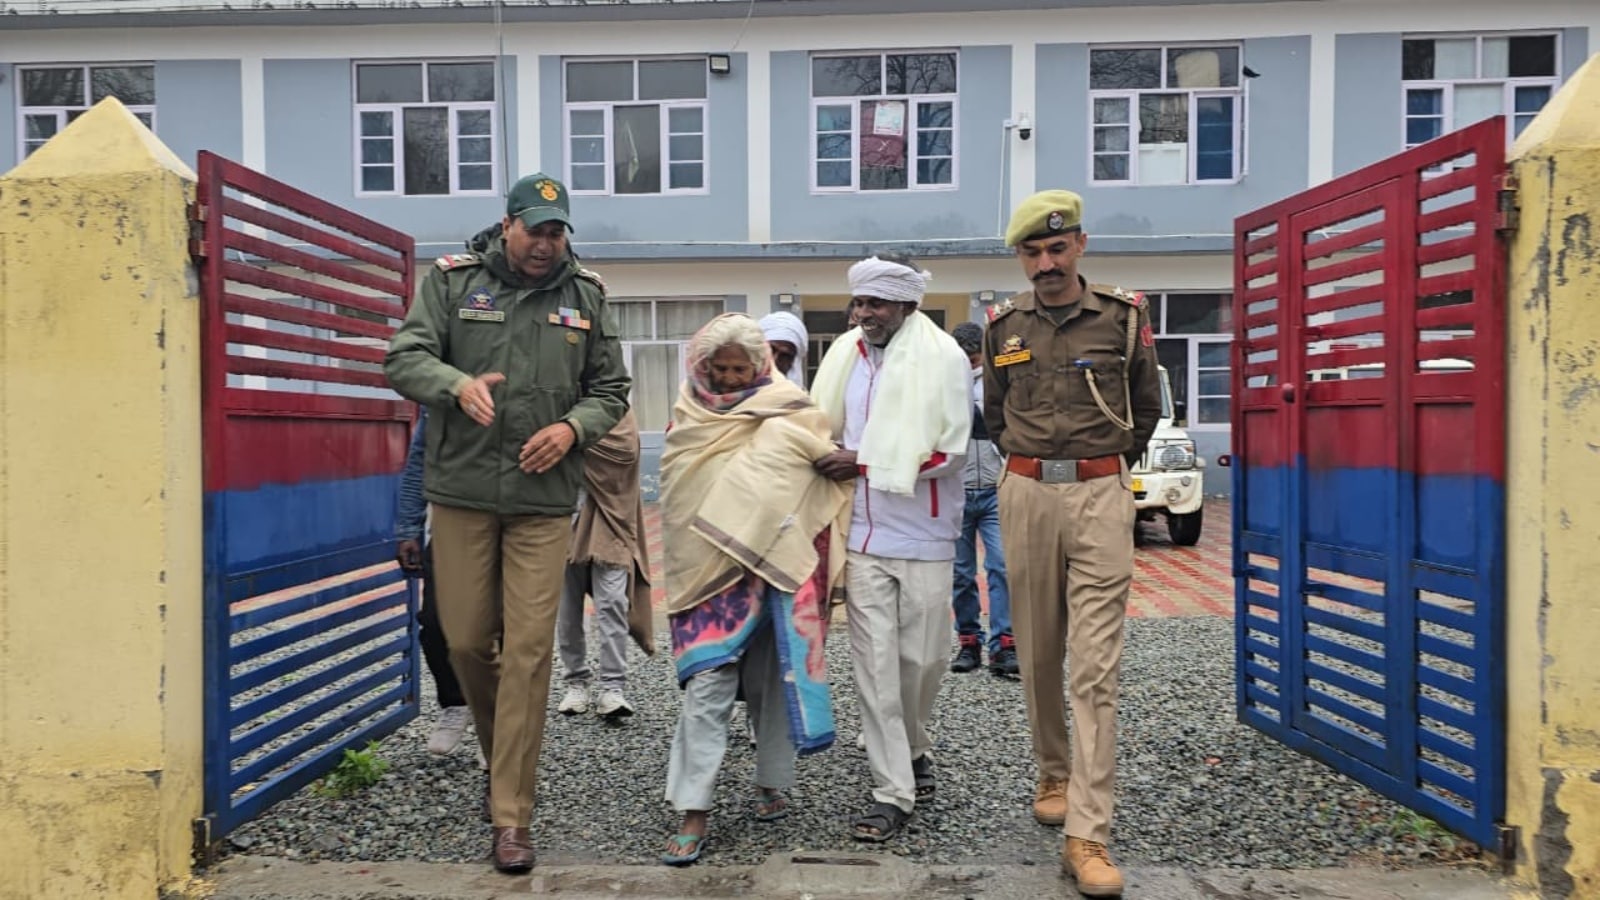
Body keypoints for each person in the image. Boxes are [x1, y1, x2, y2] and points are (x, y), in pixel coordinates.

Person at [383, 172, 631, 874]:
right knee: (463, 641)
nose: (547, 245)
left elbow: (610, 388)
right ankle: (506, 760)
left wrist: (573, 429)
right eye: (536, 230)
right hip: (461, 493)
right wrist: (455, 385)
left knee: (528, 651)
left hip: (542, 500)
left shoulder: (584, 296)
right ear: (508, 225)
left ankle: (511, 815)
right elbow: (403, 357)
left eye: (558, 233)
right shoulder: (454, 284)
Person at [984, 190, 1161, 897]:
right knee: (1038, 649)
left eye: (1058, 248)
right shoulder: (1003, 328)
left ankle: (1088, 833)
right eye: (1033, 251)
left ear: (1081, 246)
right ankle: (1052, 769)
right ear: (1022, 257)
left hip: (1098, 494)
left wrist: (1102, 471)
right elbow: (996, 416)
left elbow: (1145, 411)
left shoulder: (1122, 321)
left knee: (1095, 666)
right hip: (1025, 492)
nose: (1047, 262)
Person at [658, 313, 852, 866]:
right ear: (701, 365)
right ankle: (693, 810)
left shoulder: (789, 406)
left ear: (760, 366)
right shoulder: (688, 414)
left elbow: (816, 470)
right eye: (718, 369)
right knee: (707, 691)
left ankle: (772, 782)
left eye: (739, 369)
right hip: (707, 577)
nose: (727, 380)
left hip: (775, 573)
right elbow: (680, 494)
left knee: (774, 681)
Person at [811, 255, 971, 842]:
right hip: (859, 534)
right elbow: (818, 423)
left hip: (924, 532)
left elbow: (950, 452)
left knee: (923, 662)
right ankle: (892, 791)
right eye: (859, 303)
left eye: (875, 303)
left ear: (906, 304)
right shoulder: (843, 355)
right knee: (874, 666)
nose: (863, 313)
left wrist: (865, 461)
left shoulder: (944, 357)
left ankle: (914, 743)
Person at [395, 407, 489, 764]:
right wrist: (408, 528)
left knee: (503, 631)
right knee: (434, 625)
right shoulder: (443, 401)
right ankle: (456, 702)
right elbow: (419, 462)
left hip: (513, 527)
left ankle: (493, 725)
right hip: (452, 527)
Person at [555, 410, 656, 719]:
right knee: (566, 608)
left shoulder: (615, 409)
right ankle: (576, 681)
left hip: (611, 519)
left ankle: (613, 688)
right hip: (561, 517)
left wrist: (572, 440)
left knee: (612, 601)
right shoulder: (557, 399)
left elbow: (624, 453)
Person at [947, 322, 1016, 677]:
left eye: (976, 358)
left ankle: (1004, 645)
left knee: (1002, 567)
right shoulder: (942, 383)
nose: (972, 365)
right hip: (955, 491)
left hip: (994, 489)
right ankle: (968, 641)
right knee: (960, 573)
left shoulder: (999, 381)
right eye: (966, 359)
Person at [758, 310, 809, 388]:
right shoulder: (736, 389)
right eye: (771, 350)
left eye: (784, 356)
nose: (774, 360)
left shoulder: (799, 399)